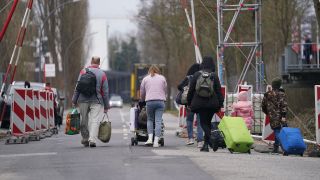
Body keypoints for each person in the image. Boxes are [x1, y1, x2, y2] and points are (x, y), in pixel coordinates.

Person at [187, 56, 224, 152]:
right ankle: (206, 146)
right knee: (207, 123)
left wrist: (189, 102)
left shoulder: (196, 75)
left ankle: (211, 139)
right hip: (212, 104)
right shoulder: (214, 76)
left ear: (202, 64)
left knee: (203, 123)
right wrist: (221, 104)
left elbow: (191, 90)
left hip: (199, 103)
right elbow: (219, 91)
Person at [72, 56, 110, 147]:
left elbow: (78, 87)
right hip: (96, 100)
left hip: (82, 99)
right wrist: (106, 106)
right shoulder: (102, 74)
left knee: (84, 119)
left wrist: (74, 100)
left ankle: (85, 138)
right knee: (94, 120)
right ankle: (92, 139)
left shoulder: (83, 71)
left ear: (91, 62)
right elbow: (105, 92)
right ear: (99, 63)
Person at [140, 65, 167, 148]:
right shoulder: (162, 78)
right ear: (157, 71)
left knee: (150, 120)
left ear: (149, 71)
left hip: (150, 102)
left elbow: (142, 91)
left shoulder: (145, 79)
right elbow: (165, 90)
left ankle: (150, 139)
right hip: (160, 102)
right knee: (158, 121)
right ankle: (156, 141)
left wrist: (142, 100)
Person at [177, 63, 203, 147]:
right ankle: (200, 141)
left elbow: (179, 86)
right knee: (199, 123)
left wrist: (185, 89)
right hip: (200, 103)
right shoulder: (202, 77)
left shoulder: (189, 78)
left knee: (189, 120)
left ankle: (190, 138)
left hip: (190, 103)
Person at [261, 77, 288, 153]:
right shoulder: (282, 94)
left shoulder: (267, 95)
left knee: (277, 130)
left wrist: (268, 113)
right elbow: (284, 106)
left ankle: (276, 148)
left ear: (273, 85)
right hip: (281, 116)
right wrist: (283, 116)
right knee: (279, 131)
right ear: (279, 85)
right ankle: (283, 147)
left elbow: (263, 106)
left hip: (272, 116)